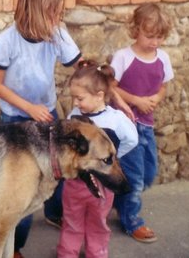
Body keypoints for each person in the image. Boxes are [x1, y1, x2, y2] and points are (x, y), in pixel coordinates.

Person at [0, 0, 82, 258]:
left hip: (47, 113)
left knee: (58, 172)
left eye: (58, 13)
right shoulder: (7, 40)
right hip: (16, 119)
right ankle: (14, 246)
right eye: (53, 13)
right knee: (22, 189)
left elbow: (78, 65)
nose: (58, 19)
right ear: (36, 12)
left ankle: (54, 213)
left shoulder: (56, 33)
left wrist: (95, 73)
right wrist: (28, 108)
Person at [57, 60, 138, 258]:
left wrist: (112, 158)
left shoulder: (116, 120)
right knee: (71, 221)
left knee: (99, 222)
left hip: (103, 186)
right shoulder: (75, 115)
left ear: (99, 96)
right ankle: (68, 253)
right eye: (74, 98)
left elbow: (132, 139)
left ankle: (97, 252)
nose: (75, 103)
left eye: (80, 98)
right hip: (75, 184)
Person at [110, 2, 174, 243]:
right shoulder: (123, 57)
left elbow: (163, 87)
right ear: (135, 29)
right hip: (127, 126)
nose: (154, 42)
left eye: (159, 37)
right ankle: (132, 220)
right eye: (149, 36)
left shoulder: (163, 58)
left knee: (148, 174)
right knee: (135, 177)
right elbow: (111, 88)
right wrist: (136, 100)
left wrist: (155, 99)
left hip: (147, 124)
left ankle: (118, 200)